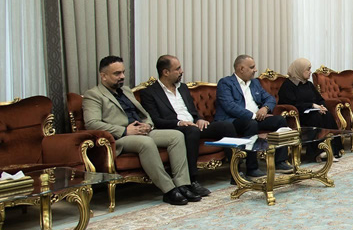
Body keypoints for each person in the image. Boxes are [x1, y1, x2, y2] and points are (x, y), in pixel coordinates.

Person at [82, 55, 199, 206]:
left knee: (176, 136)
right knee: (146, 143)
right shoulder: (93, 95)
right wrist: (125, 130)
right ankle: (169, 189)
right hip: (120, 137)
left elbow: (144, 114)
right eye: (117, 73)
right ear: (103, 76)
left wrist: (148, 125)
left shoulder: (126, 91)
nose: (122, 76)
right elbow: (92, 124)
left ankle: (183, 184)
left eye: (123, 72)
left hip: (141, 131)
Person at [139, 55, 239, 196]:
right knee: (192, 131)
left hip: (193, 125)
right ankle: (192, 180)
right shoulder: (149, 93)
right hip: (174, 128)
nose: (182, 71)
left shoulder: (183, 88)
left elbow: (193, 112)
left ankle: (236, 172)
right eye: (178, 69)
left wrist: (199, 119)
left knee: (226, 126)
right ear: (165, 72)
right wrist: (179, 122)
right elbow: (156, 120)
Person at [214, 54, 291, 177]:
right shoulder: (226, 83)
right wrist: (254, 115)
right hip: (234, 120)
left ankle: (280, 161)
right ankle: (252, 167)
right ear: (241, 69)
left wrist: (265, 109)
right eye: (252, 67)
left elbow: (270, 98)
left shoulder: (254, 83)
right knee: (251, 124)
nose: (255, 70)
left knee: (280, 120)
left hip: (257, 118)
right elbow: (230, 106)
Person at [278, 58, 343, 161]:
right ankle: (316, 152)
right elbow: (291, 104)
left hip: (313, 112)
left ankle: (334, 150)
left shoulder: (308, 84)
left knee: (327, 115)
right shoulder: (288, 86)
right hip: (299, 115)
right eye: (307, 69)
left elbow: (320, 99)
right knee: (315, 118)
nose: (310, 72)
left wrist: (321, 107)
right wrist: (311, 105)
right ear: (299, 70)